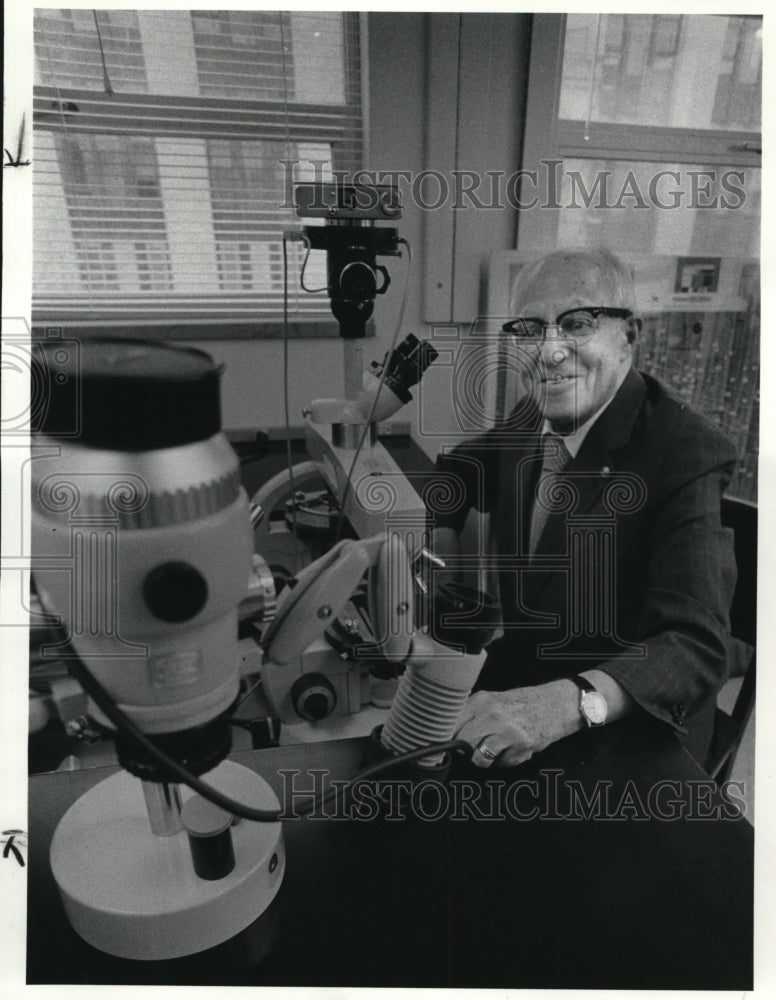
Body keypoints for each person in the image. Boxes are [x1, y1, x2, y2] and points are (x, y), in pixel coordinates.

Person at [431, 248, 737, 768]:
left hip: (628, 736)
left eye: (577, 323)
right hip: (526, 680)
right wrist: (423, 554)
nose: (549, 352)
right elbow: (457, 474)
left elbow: (694, 643)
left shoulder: (684, 448)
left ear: (629, 336)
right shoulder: (535, 417)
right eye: (529, 329)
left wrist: (570, 703)